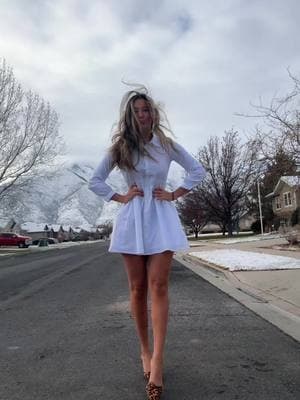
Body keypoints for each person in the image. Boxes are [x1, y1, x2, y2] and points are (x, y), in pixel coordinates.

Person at [88, 87, 206, 400]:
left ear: (154, 113)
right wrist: (120, 196)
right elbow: (95, 180)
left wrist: (175, 193)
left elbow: (197, 171)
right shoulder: (121, 147)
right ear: (130, 115)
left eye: (147, 109)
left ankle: (158, 360)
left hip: (161, 218)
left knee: (160, 286)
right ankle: (144, 351)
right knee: (138, 289)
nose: (143, 115)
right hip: (132, 220)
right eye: (138, 110)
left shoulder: (166, 145)